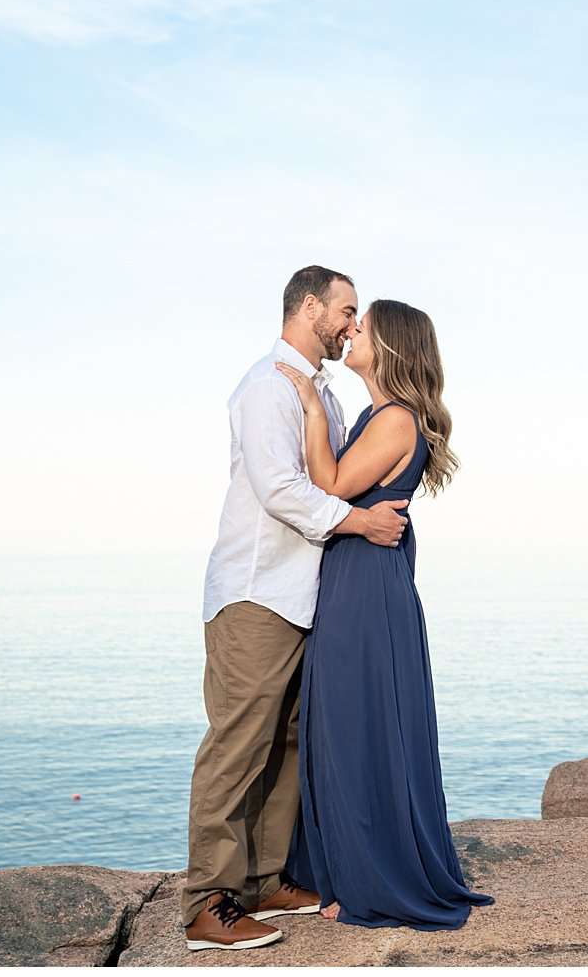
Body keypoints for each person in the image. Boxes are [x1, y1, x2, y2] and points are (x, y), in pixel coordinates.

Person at [181, 266, 412, 952]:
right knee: (237, 743)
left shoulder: (321, 393)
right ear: (308, 306)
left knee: (284, 741)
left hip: (300, 596)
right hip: (256, 591)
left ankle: (261, 877)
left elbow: (325, 471)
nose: (351, 322)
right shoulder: (266, 385)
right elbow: (281, 488)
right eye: (344, 309)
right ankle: (206, 901)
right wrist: (358, 523)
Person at [274, 298, 493, 930]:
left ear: (390, 346)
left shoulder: (395, 418)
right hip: (358, 576)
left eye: (362, 326)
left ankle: (371, 877)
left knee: (359, 725)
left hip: (367, 588)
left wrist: (311, 405)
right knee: (345, 723)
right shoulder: (381, 413)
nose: (352, 332)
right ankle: (343, 869)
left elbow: (332, 485)